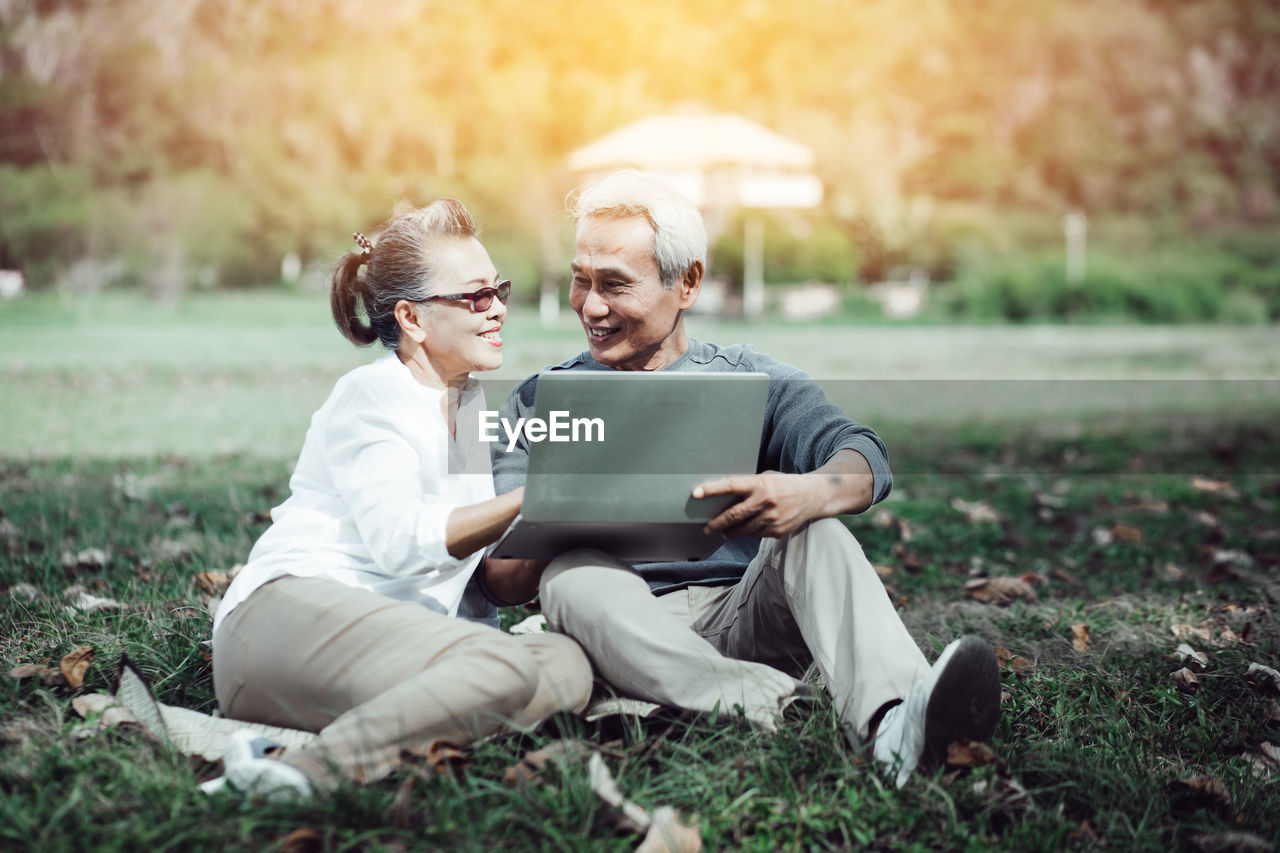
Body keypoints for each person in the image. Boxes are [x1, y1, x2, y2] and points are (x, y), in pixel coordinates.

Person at [480, 171, 1000, 788]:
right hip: (617, 631)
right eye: (581, 279)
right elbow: (501, 580)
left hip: (744, 615)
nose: (591, 306)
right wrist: (568, 507)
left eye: (616, 285)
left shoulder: (753, 379)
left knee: (819, 533)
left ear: (688, 282)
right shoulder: (541, 403)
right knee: (571, 574)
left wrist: (810, 492)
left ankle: (894, 723)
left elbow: (863, 456)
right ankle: (773, 706)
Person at [208, 199, 593, 799]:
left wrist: (577, 514)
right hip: (284, 622)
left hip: (389, 643)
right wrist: (530, 496)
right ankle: (293, 773)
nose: (496, 310)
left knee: (568, 668)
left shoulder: (467, 406)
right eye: (473, 297)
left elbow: (485, 583)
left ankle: (372, 737)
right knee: (505, 667)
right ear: (412, 318)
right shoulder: (371, 394)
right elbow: (400, 544)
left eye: (500, 290)